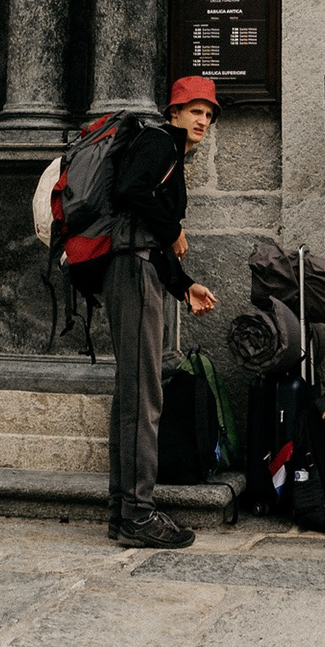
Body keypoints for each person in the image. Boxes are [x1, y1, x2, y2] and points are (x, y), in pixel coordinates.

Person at [105, 75, 220, 550]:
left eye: (208, 114)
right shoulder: (158, 142)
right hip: (133, 271)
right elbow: (131, 190)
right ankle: (138, 513)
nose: (203, 120)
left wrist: (183, 285)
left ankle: (123, 511)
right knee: (143, 395)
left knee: (134, 392)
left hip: (141, 268)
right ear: (174, 112)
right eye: (195, 111)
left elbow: (153, 235)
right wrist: (173, 229)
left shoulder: (170, 152)